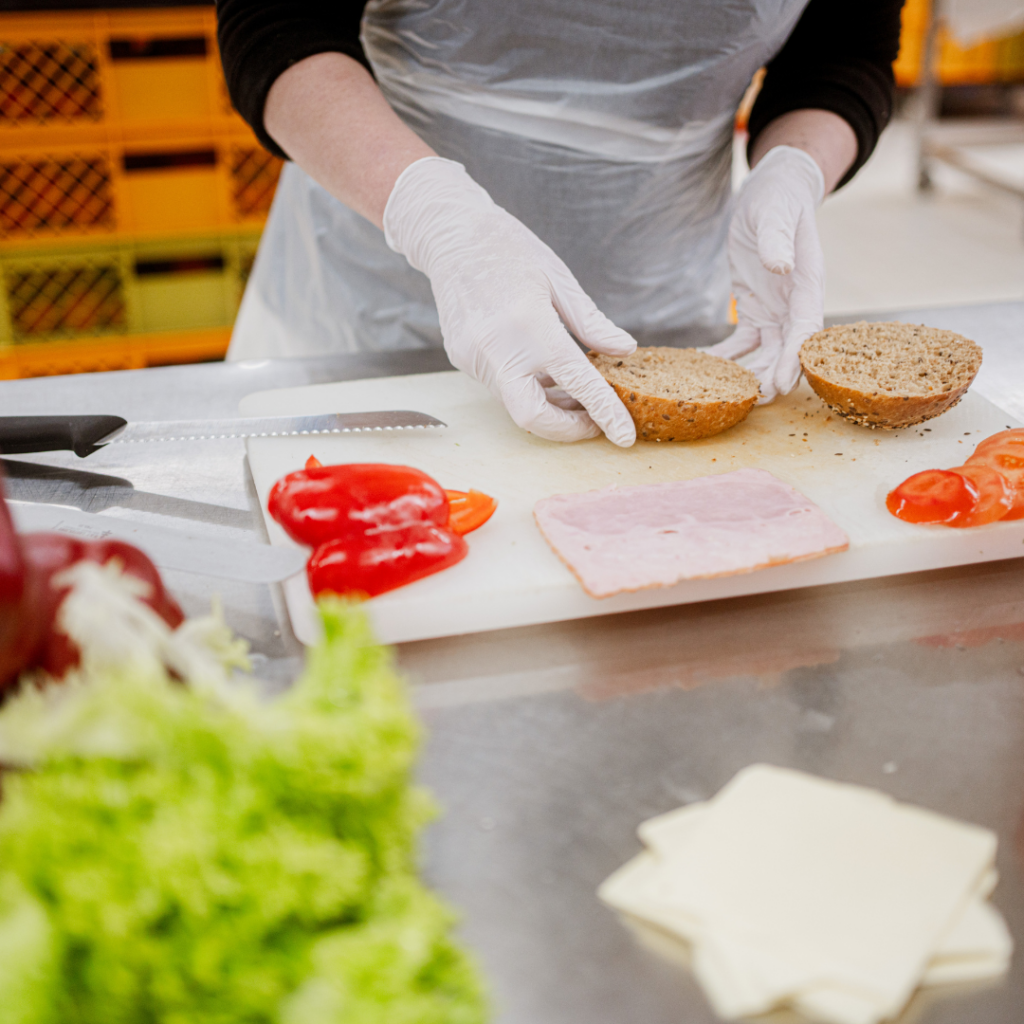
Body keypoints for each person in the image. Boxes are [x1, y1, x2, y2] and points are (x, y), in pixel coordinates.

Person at [217, 0, 903, 447]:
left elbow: (841, 51)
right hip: (376, 286)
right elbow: (278, 23)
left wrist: (794, 169)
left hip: (656, 298)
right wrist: (436, 217)